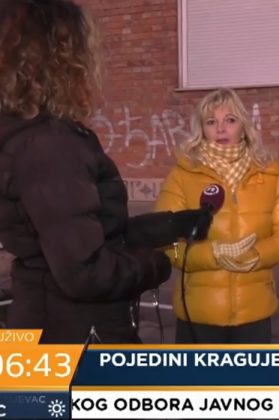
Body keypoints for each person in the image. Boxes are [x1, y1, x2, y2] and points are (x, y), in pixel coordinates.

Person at [0, 0, 207, 343]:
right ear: (59, 59)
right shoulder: (48, 146)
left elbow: (85, 232)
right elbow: (85, 272)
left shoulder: (33, 138)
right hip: (72, 338)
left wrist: (173, 226)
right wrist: (156, 265)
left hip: (49, 328)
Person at [155, 87, 279, 344]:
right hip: (198, 315)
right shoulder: (182, 176)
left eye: (230, 120)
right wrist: (212, 254)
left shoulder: (269, 175)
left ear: (243, 127)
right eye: (211, 122)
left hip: (254, 314)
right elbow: (166, 243)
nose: (221, 129)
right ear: (202, 129)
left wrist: (258, 255)